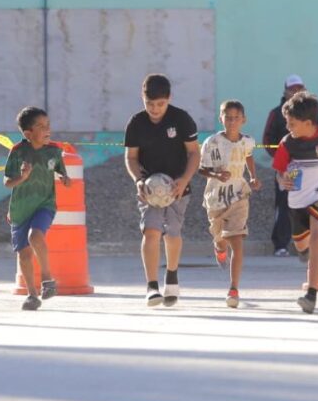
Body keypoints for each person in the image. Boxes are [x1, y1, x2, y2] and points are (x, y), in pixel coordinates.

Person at [125, 74, 201, 308]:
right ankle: (151, 287)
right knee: (151, 232)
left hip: (177, 187)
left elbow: (194, 154)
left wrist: (184, 179)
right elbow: (131, 157)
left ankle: (172, 275)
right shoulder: (136, 123)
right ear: (143, 98)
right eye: (149, 104)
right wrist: (139, 180)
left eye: (160, 104)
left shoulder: (182, 119)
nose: (155, 109)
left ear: (169, 99)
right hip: (150, 189)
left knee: (173, 233)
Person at [273, 91, 318, 314]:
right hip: (297, 200)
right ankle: (304, 254)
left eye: (291, 123)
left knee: (317, 236)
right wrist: (283, 180)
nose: (288, 127)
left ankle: (311, 294)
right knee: (301, 244)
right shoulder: (287, 144)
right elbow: (279, 172)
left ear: (308, 123)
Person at [4, 106, 71, 311]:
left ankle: (47, 279)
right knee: (24, 255)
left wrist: (65, 178)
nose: (47, 130)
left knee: (36, 236)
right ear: (28, 133)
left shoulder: (53, 151)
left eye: (48, 125)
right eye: (41, 127)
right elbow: (7, 182)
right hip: (20, 210)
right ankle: (32, 295)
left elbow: (60, 170)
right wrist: (22, 177)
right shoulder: (18, 152)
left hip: (45, 204)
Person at [199, 100, 262, 308]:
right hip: (216, 198)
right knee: (220, 237)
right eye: (228, 117)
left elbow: (249, 156)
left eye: (236, 118)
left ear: (243, 120)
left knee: (237, 240)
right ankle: (219, 247)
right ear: (221, 119)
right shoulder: (212, 142)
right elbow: (202, 169)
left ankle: (234, 288)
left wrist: (253, 177)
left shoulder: (248, 142)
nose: (232, 122)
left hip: (238, 195)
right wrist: (217, 174)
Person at [263, 74, 306, 256]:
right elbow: (267, 140)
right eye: (292, 89)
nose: (296, 92)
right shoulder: (276, 113)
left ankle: (304, 244)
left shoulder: (310, 113)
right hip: (285, 168)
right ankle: (281, 244)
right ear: (285, 91)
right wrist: (281, 157)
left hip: (306, 167)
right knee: (284, 204)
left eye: (299, 89)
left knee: (306, 204)